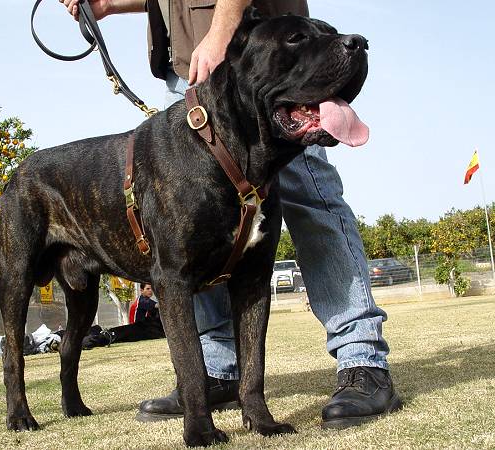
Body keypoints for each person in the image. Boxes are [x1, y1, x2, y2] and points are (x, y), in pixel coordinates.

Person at [61, 0, 402, 429]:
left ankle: (362, 358)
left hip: (236, 43)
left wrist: (224, 28)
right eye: (307, 37)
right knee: (193, 236)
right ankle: (219, 373)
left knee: (311, 200)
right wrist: (108, 4)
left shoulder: (257, 44)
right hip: (193, 63)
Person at [82, 283, 165, 348]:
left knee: (117, 335)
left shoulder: (145, 300)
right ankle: (92, 338)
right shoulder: (143, 300)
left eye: (151, 289)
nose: (150, 291)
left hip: (139, 328)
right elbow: (158, 306)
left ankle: (95, 333)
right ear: (141, 290)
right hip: (138, 328)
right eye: (148, 289)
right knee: (116, 335)